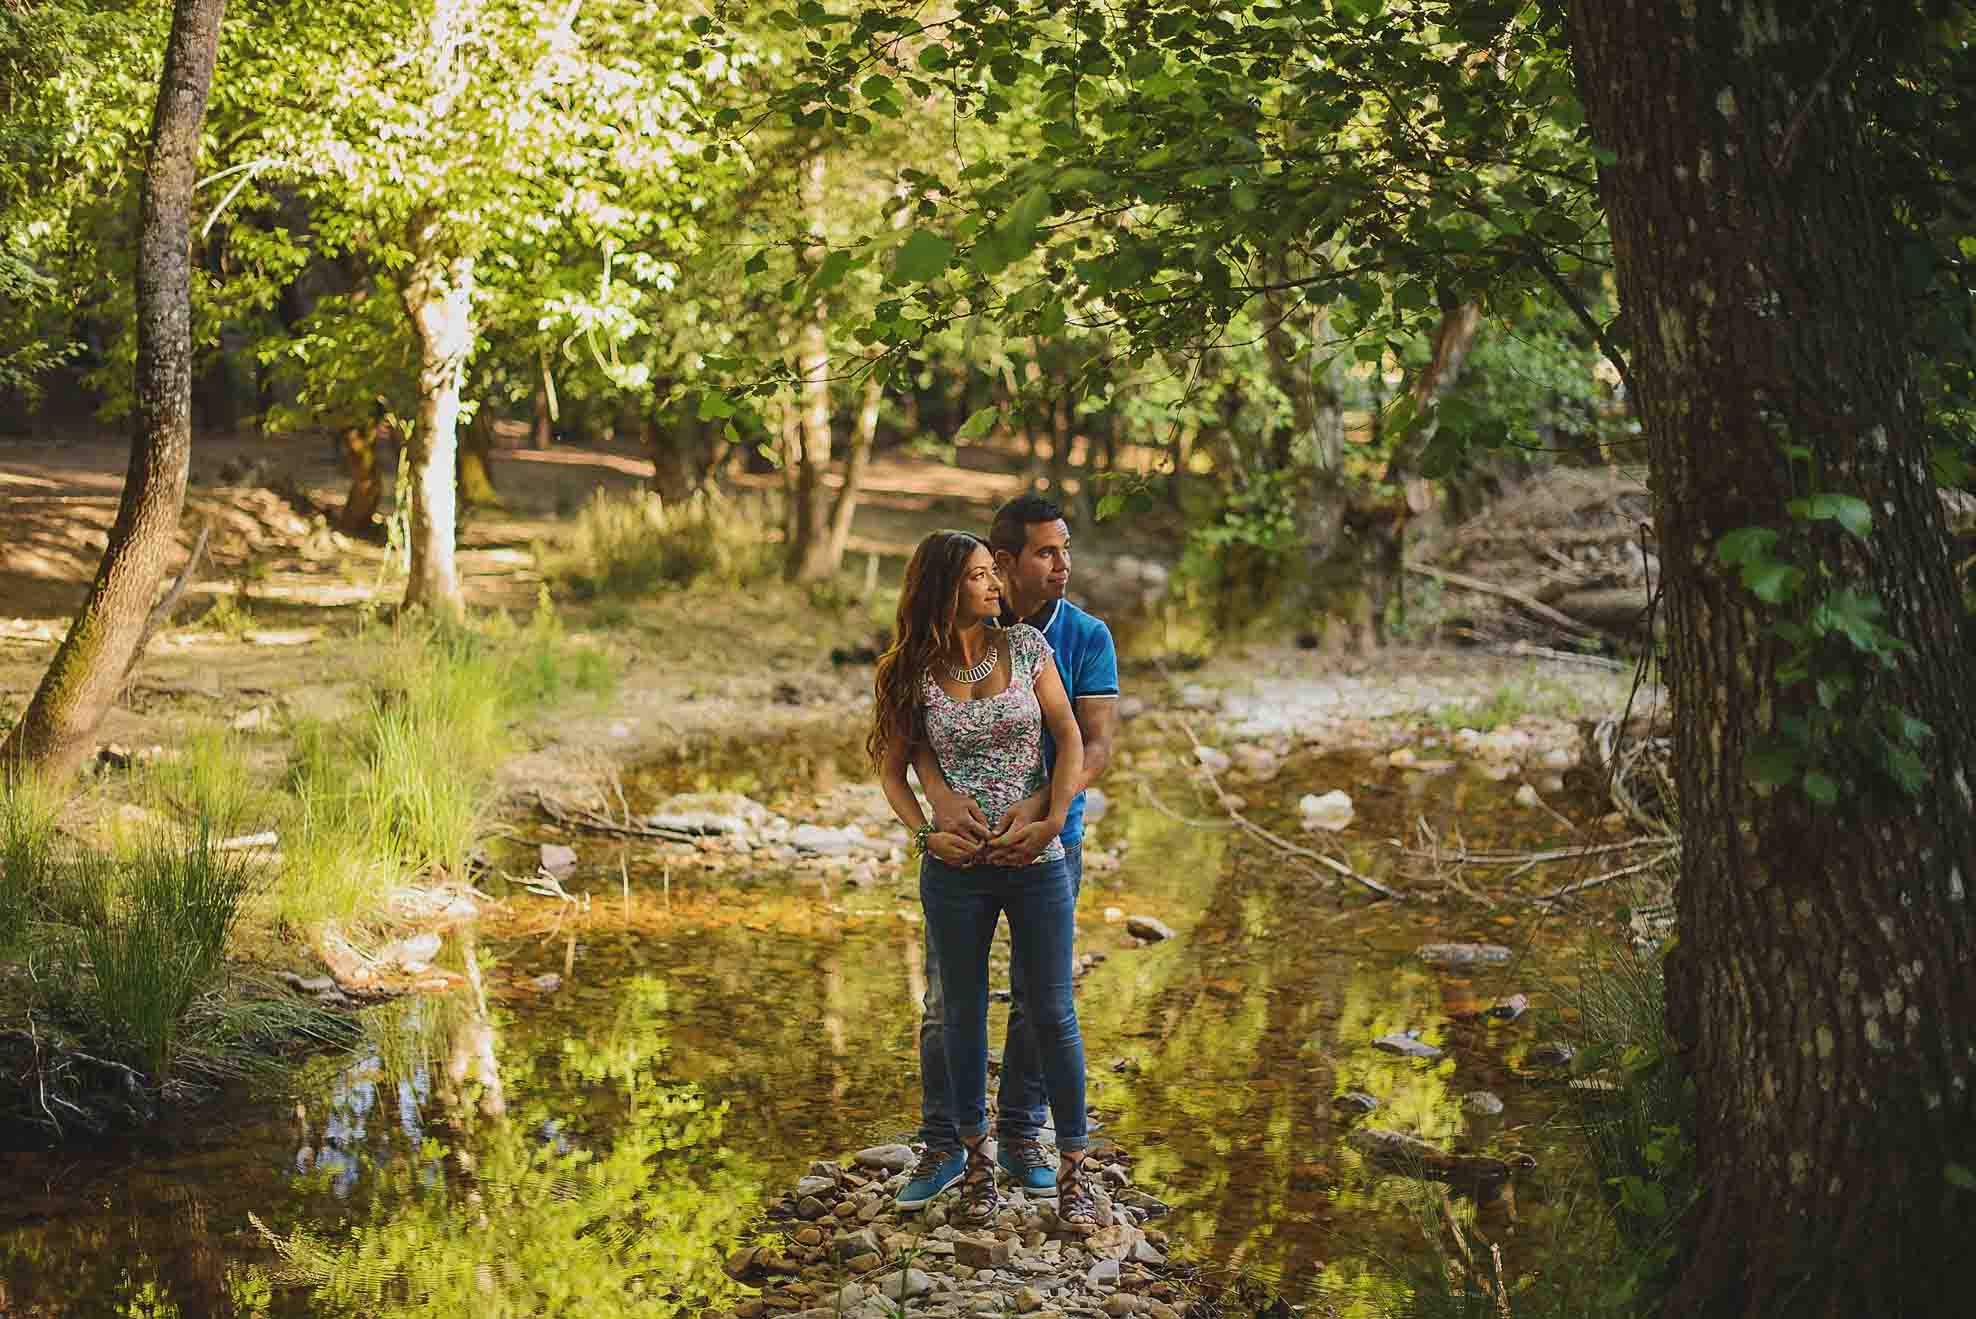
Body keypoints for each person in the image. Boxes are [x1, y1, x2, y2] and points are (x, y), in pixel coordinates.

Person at [872, 530, 1103, 1231]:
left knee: (1054, 1014)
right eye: (977, 576)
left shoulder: (1029, 650)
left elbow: (1068, 738)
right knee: (963, 1015)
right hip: (955, 872)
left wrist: (1053, 819)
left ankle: (1074, 1173)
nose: (994, 585)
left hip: (1035, 862)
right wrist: (927, 828)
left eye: (991, 574)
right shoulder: (908, 671)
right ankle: (975, 1168)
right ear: (946, 588)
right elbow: (892, 768)